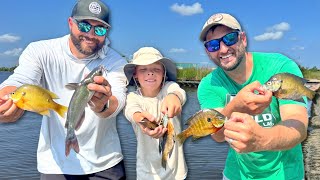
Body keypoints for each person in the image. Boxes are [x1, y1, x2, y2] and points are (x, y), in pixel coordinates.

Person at [0, 0, 127, 179]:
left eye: (99, 29)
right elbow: (21, 79)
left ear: (106, 33)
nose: (90, 34)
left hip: (106, 163)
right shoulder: (40, 51)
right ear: (70, 23)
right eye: (84, 25)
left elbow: (119, 99)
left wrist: (103, 105)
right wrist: (7, 97)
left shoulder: (116, 62)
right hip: (55, 165)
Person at [198, 13, 308, 179]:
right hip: (236, 174)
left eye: (229, 38)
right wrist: (236, 106)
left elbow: (298, 125)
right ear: (208, 52)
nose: (222, 49)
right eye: (213, 45)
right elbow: (218, 136)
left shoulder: (280, 67)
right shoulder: (209, 85)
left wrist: (261, 139)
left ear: (243, 39)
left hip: (287, 173)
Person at [123, 47, 188, 179]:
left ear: (164, 73)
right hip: (146, 173)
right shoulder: (132, 97)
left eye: (156, 69)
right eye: (143, 69)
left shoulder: (169, 87)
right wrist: (140, 118)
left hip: (176, 174)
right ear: (135, 74)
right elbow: (131, 111)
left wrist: (174, 97)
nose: (150, 73)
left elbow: (179, 92)